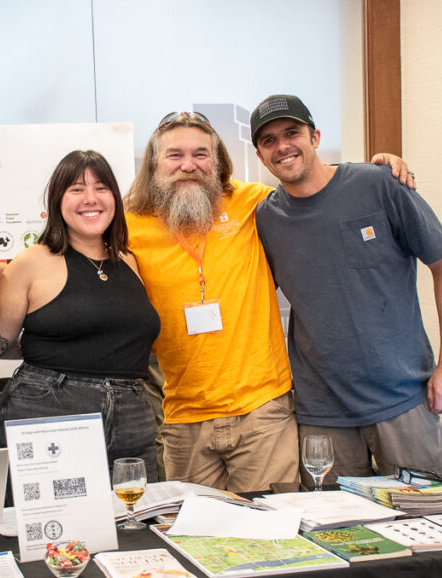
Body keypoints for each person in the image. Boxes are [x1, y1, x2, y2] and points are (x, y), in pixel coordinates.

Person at [124, 111, 413, 493]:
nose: (188, 165)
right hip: (183, 419)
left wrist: (376, 169)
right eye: (174, 155)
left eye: (201, 154)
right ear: (154, 164)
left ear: (218, 162)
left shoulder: (253, 202)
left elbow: (314, 183)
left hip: (263, 414)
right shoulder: (129, 226)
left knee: (274, 531)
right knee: (198, 537)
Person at [251, 94, 442, 484]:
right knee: (341, 534)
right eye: (268, 140)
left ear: (315, 137)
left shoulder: (379, 184)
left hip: (402, 401)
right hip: (321, 414)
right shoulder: (266, 218)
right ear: (260, 155)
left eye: (292, 132)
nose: (282, 146)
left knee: (428, 524)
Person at [0, 150, 161, 479]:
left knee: (134, 520)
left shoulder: (130, 261)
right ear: (57, 200)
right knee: (53, 525)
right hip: (49, 408)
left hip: (132, 413)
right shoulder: (30, 262)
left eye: (100, 188)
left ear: (114, 196)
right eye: (76, 189)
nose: (90, 199)